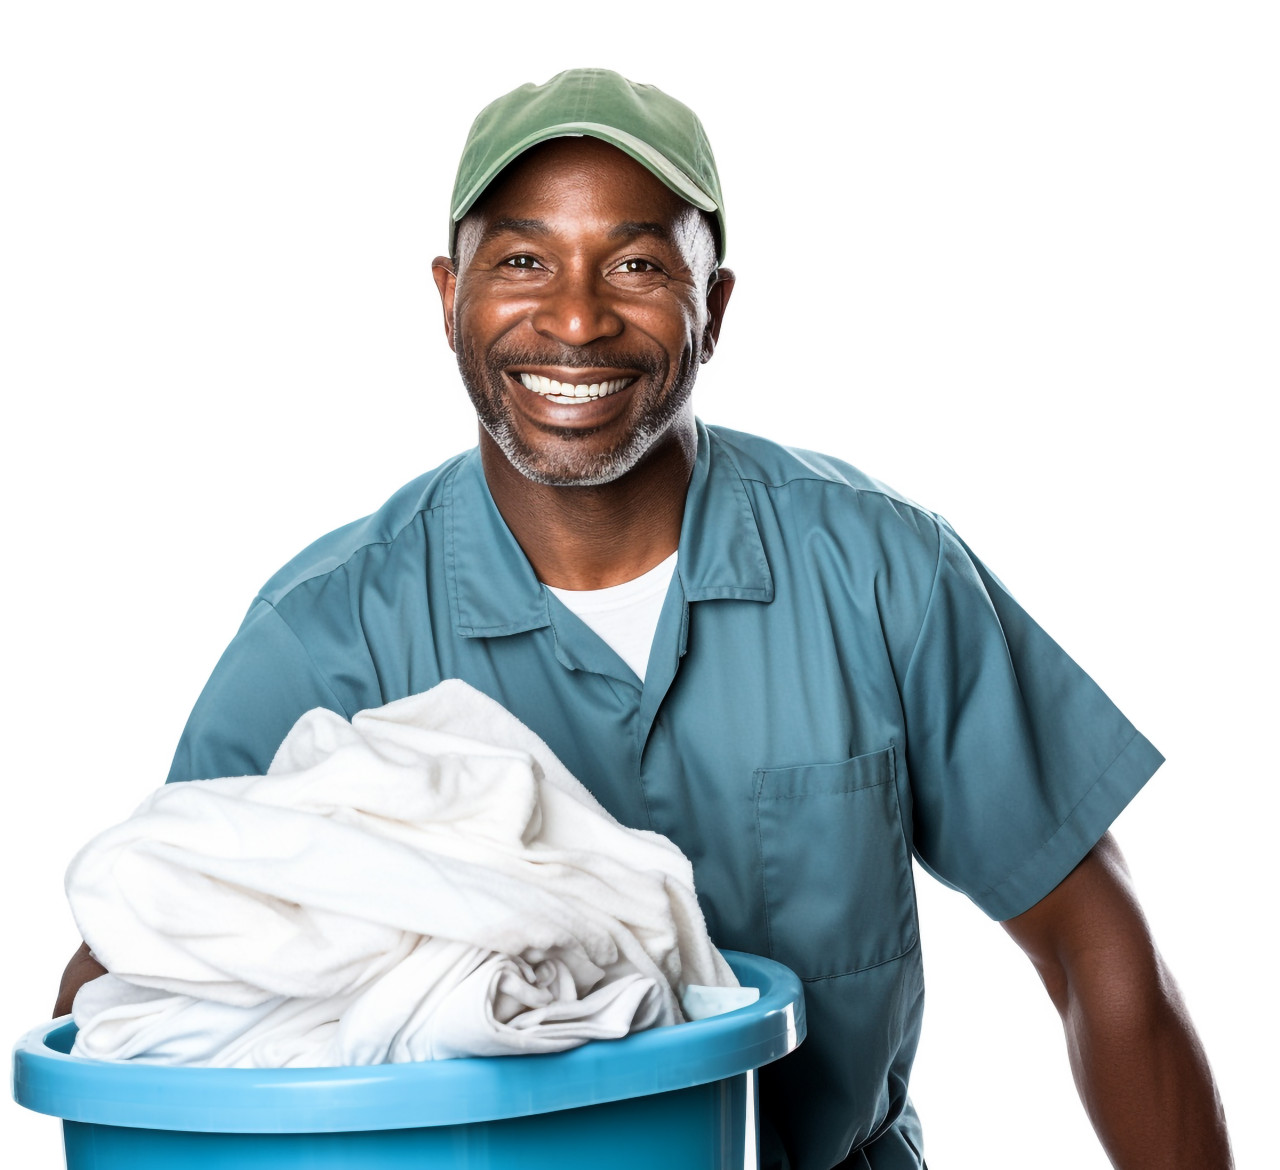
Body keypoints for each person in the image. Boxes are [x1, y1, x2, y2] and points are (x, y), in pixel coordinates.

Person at [55, 68, 1232, 1169]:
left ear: (711, 306)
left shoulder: (880, 573)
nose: (574, 322)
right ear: (447, 295)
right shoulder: (327, 635)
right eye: (520, 261)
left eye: (633, 267)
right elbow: (135, 984)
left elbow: (1095, 951)